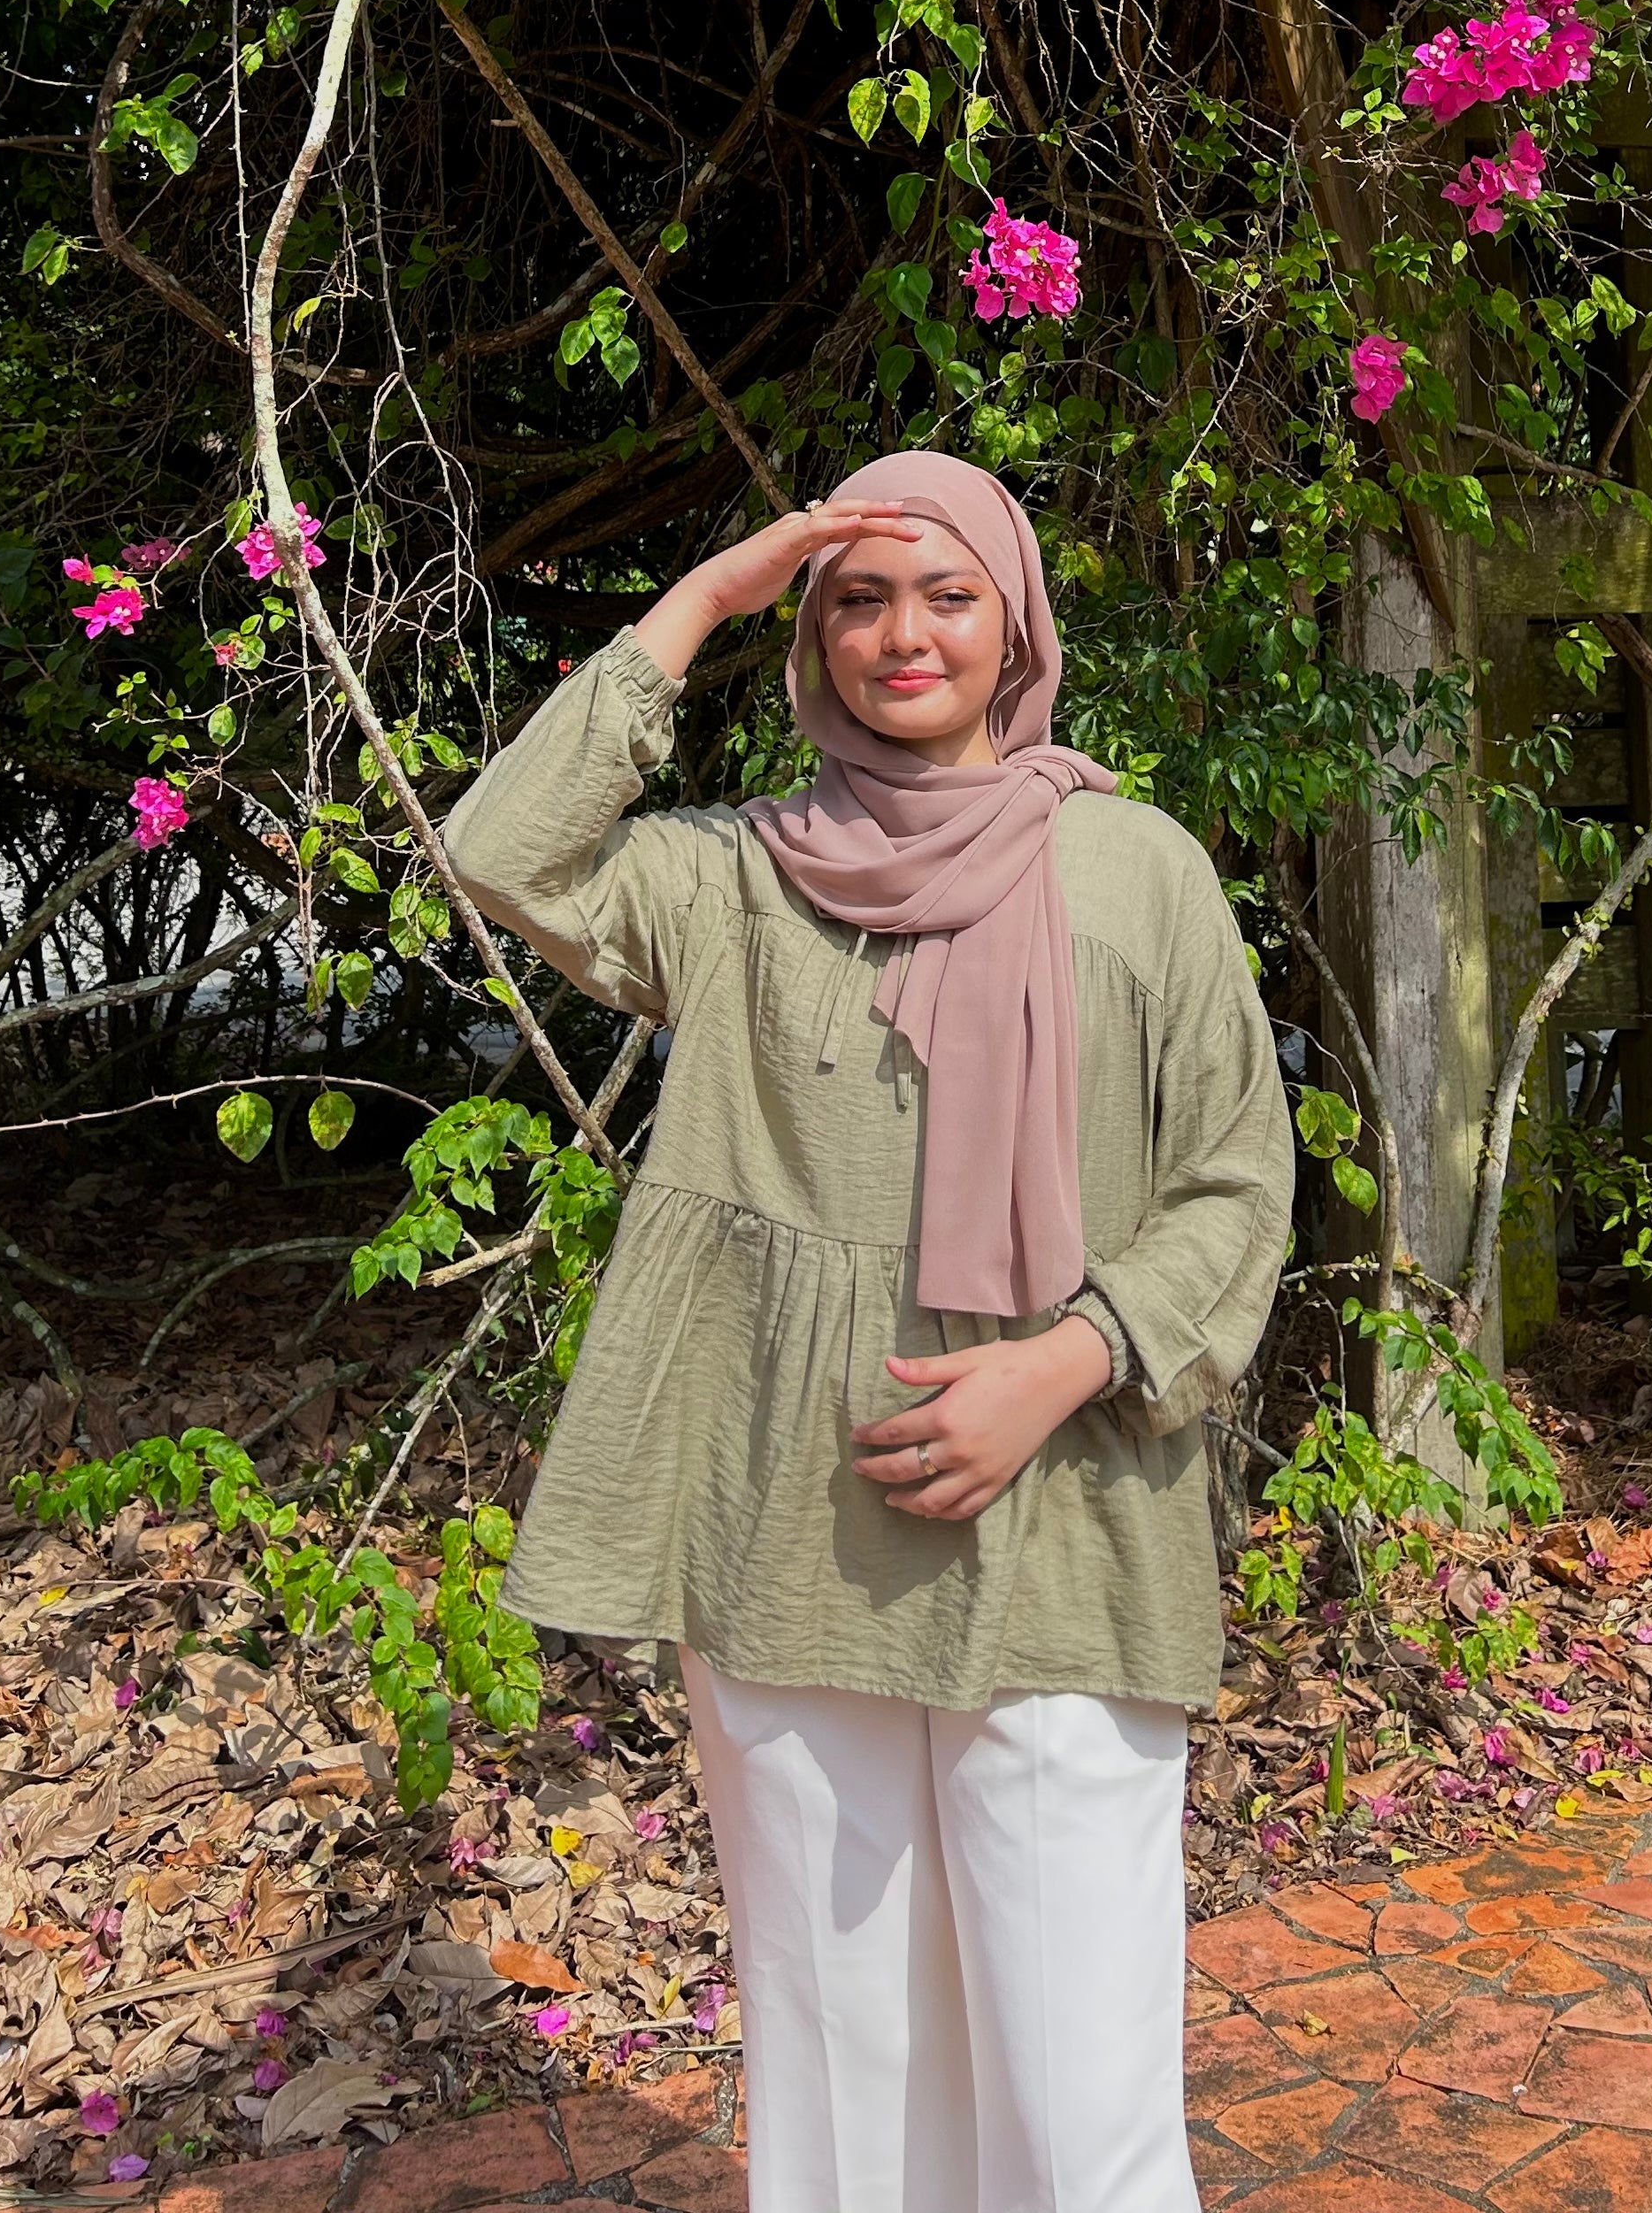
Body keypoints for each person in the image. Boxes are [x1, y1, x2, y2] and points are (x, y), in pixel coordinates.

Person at [442, 449, 1296, 2213]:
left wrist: (1060, 1364)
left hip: (1067, 1524)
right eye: (857, 598)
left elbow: (1236, 1183)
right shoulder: (734, 880)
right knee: (841, 2098)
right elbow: (500, 853)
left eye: (948, 592)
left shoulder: (1137, 871)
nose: (903, 632)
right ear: (812, 636)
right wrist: (702, 601)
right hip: (787, 1531)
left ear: (1018, 623)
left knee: (1085, 2117)